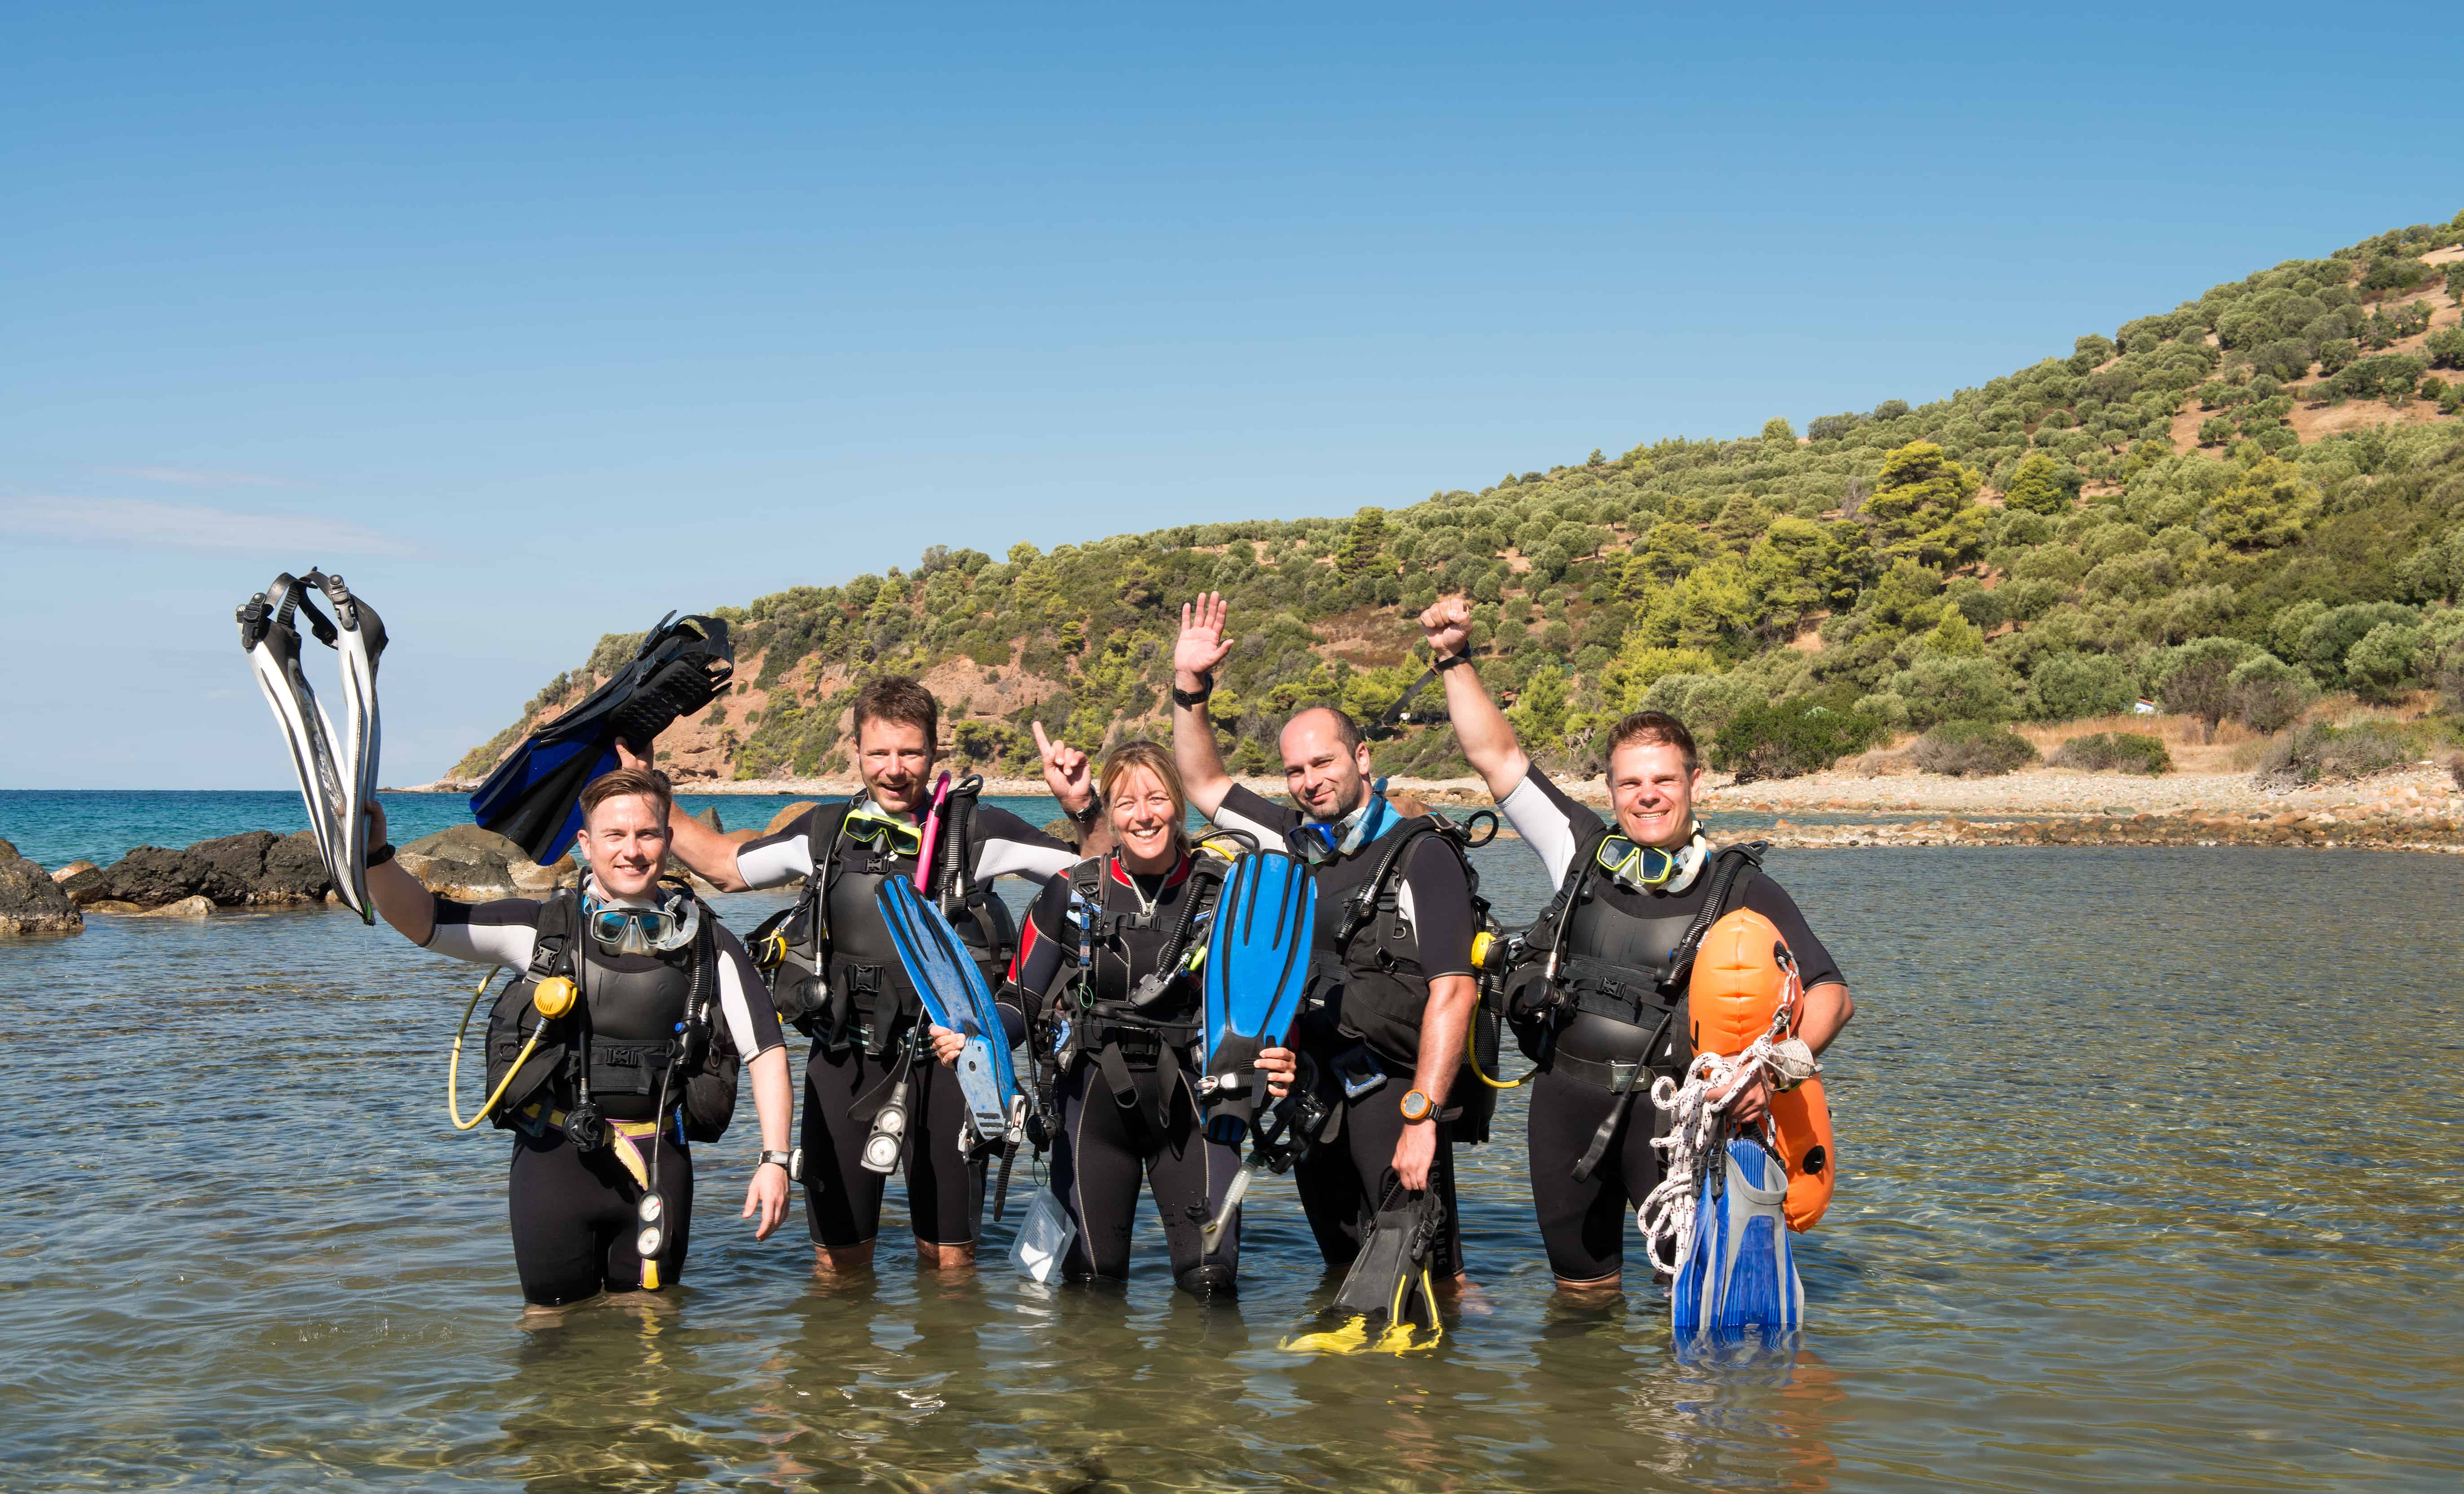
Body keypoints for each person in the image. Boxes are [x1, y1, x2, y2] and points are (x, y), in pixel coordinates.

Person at [1412, 595, 1855, 1294]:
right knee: (1579, 1300)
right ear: (1611, 788)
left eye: (1663, 779)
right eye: (1630, 782)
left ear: (1693, 782)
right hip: (1563, 1109)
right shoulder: (1580, 851)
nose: (1647, 795)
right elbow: (1495, 756)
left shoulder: (1737, 886)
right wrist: (1453, 657)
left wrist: (1771, 1072)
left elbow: (1831, 991)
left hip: (1675, 1120)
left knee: (1690, 1299)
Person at [654, 675, 1102, 1274]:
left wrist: (1083, 807)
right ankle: (839, 1363)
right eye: (879, 753)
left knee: (950, 1263)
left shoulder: (976, 833)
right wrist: (654, 794)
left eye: (910, 752)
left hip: (949, 1064)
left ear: (935, 750)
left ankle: (948, 1360)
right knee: (837, 1265)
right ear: (857, 752)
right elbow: (725, 868)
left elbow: (1101, 875)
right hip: (842, 1058)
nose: (894, 769)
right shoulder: (825, 832)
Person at [365, 767, 794, 1309]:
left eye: (647, 834)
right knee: (549, 1336)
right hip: (553, 1163)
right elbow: (425, 920)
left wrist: (774, 1161)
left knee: (653, 1338)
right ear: (586, 844)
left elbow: (767, 1051)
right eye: (615, 836)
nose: (632, 851)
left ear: (668, 840)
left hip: (656, 1162)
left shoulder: (709, 944)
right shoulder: (542, 931)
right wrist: (376, 857)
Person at [1166, 592, 1482, 1287]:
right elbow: (1203, 781)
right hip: (1311, 1096)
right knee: (1346, 1273)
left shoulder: (1421, 852)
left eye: (1324, 762)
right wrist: (1191, 688)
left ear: (1362, 757)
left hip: (1393, 1094)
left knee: (1432, 1279)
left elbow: (1454, 990)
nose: (1310, 781)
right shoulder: (1292, 840)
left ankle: (1448, 1390)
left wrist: (1423, 1117)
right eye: (1296, 770)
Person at [943, 740, 1246, 1296]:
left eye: (1156, 798)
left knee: (1211, 1282)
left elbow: (1261, 1004)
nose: (1144, 815)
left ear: (1178, 804)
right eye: (1127, 803)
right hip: (1089, 1106)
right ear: (1108, 810)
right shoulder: (1075, 891)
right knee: (1090, 1286)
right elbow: (1019, 1000)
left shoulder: (1224, 891)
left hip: (1194, 1107)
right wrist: (976, 1036)